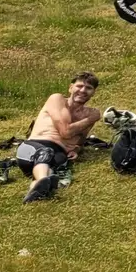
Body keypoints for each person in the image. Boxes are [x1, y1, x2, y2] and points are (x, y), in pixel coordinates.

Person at [16, 71, 101, 203]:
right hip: (33, 147)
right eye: (79, 86)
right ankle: (43, 180)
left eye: (89, 88)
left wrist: (76, 149)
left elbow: (81, 138)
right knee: (45, 153)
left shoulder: (89, 113)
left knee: (54, 163)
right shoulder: (57, 99)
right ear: (70, 87)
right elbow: (66, 132)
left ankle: (35, 191)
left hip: (59, 152)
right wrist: (91, 118)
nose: (83, 90)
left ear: (93, 92)